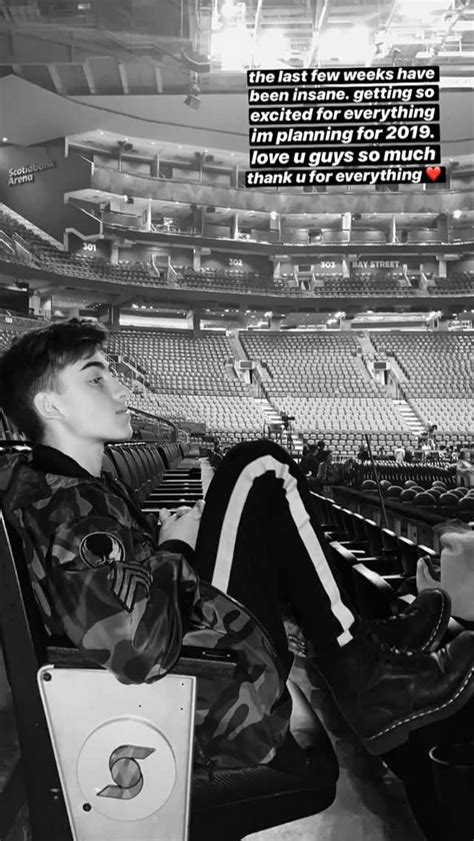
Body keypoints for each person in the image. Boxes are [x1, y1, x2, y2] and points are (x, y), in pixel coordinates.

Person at [1, 321, 474, 777]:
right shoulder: (71, 509)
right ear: (51, 406)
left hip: (198, 671)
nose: (120, 393)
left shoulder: (66, 492)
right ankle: (362, 671)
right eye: (96, 381)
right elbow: (136, 651)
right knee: (260, 467)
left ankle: (364, 647)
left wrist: (168, 540)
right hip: (211, 701)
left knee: (259, 494)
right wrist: (176, 548)